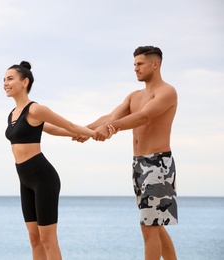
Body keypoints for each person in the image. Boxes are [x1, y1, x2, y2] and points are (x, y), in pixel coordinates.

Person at [81, 46, 178, 260]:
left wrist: (110, 128)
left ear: (155, 64)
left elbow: (144, 116)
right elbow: (111, 116)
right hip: (138, 164)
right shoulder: (134, 95)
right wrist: (85, 130)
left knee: (149, 226)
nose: (135, 69)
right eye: (134, 64)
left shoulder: (166, 92)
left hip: (157, 165)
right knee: (154, 223)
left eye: (140, 64)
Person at [4, 61, 99, 260]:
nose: (5, 83)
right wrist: (73, 135)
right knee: (34, 238)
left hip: (43, 178)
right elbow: (52, 130)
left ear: (25, 82)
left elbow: (68, 124)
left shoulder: (35, 109)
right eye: (4, 80)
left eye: (10, 78)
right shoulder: (13, 115)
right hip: (25, 180)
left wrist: (91, 133)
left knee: (48, 239)